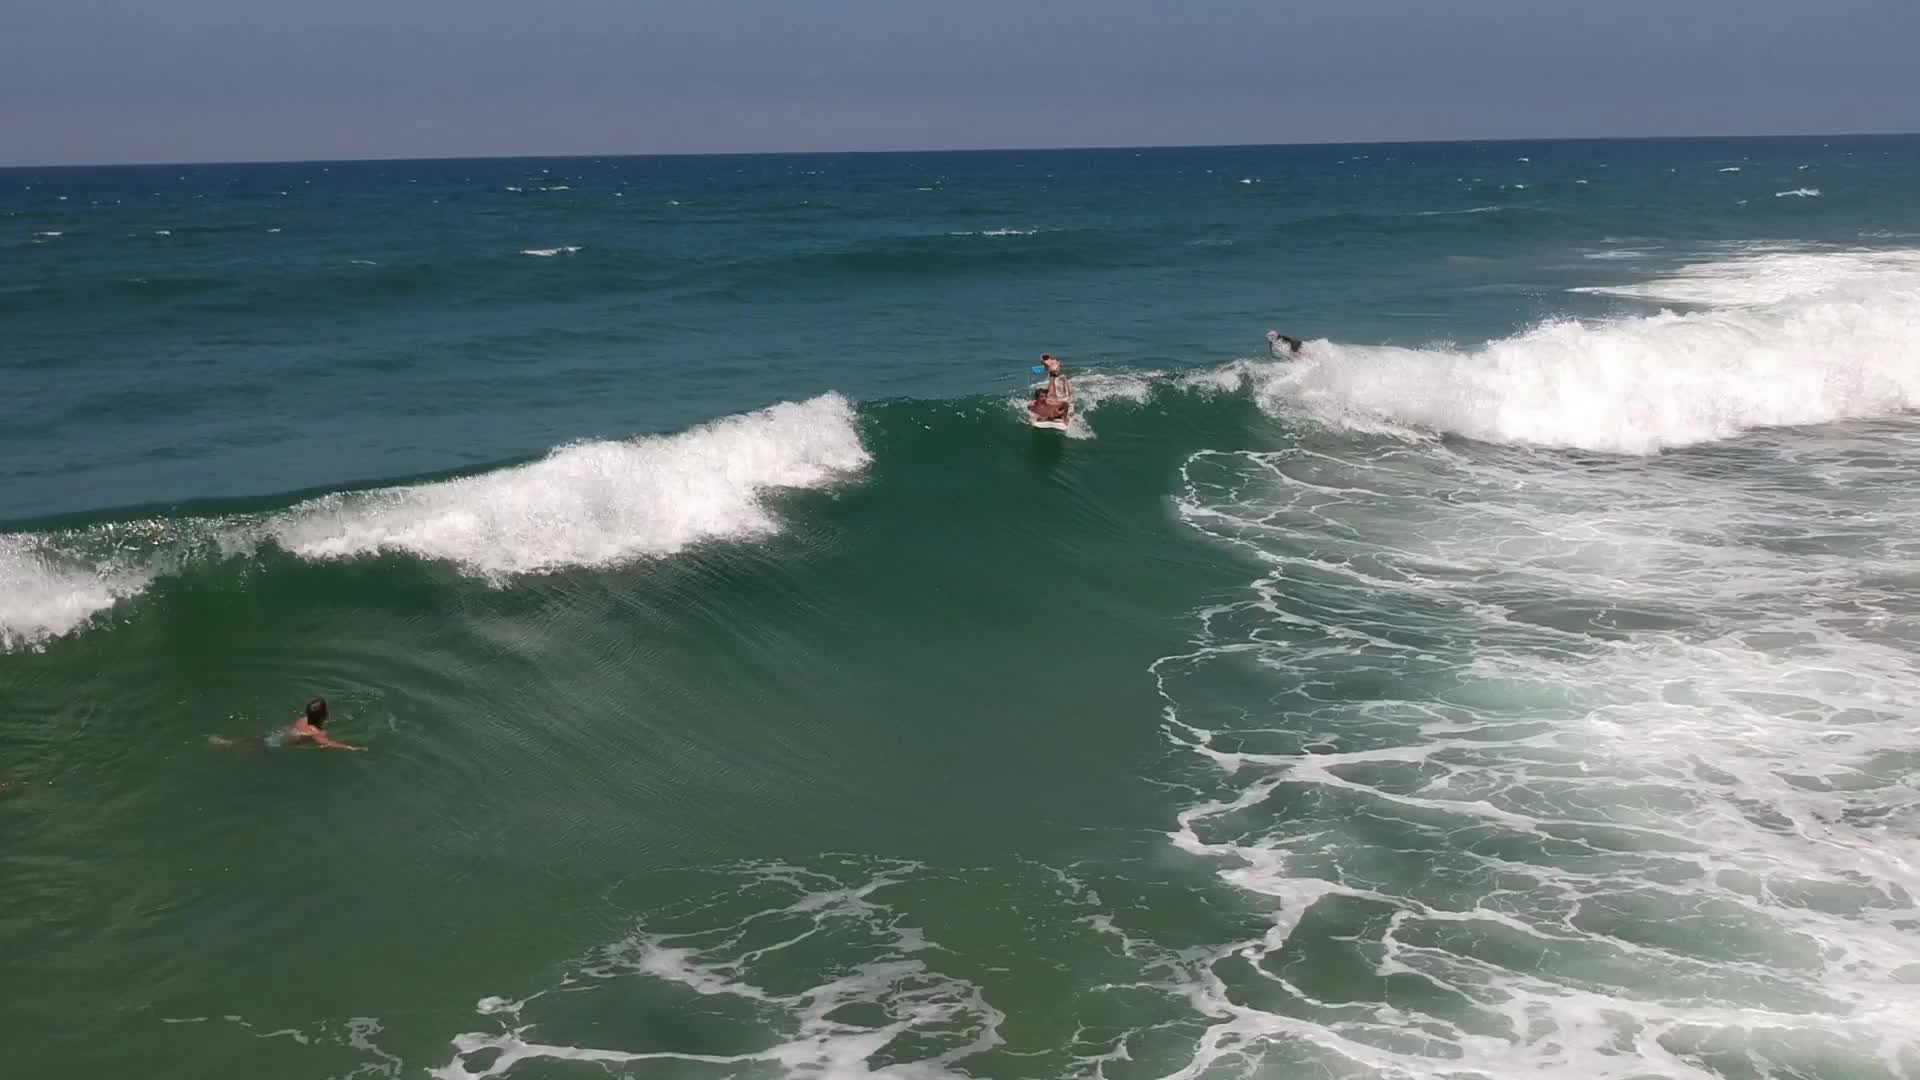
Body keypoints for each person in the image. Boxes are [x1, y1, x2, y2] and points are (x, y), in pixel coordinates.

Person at [210, 697, 365, 752]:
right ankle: (227, 745)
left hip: (277, 733)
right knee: (252, 747)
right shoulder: (316, 733)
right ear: (325, 715)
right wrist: (350, 748)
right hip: (276, 743)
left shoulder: (302, 720)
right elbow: (327, 744)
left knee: (253, 739)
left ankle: (225, 742)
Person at [1028, 354, 1071, 423]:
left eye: (1044, 396)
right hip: (1050, 398)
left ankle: (1064, 380)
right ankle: (1051, 366)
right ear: (1037, 399)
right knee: (1051, 382)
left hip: (1053, 401)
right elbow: (1029, 410)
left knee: (1067, 397)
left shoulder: (1050, 404)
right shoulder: (1032, 405)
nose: (1044, 398)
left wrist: (1064, 417)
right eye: (1041, 397)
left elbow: (1065, 404)